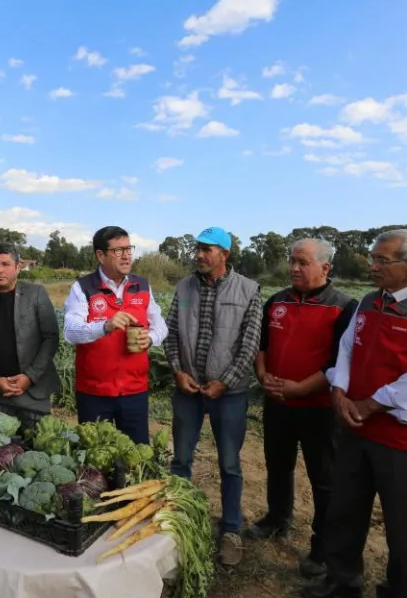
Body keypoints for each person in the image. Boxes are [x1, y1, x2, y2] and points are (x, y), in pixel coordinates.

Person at [304, 229, 407, 598]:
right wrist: (339, 389)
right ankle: (342, 581)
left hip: (403, 440)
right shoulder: (368, 302)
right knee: (345, 510)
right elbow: (347, 349)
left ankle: (399, 590)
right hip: (356, 428)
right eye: (372, 258)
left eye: (381, 260)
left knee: (401, 524)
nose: (372, 266)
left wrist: (371, 403)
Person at [247, 238, 357, 578]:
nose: (294, 268)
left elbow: (340, 362)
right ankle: (277, 518)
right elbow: (262, 345)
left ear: (325, 267)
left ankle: (323, 547)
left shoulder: (344, 307)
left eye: (302, 262)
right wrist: (263, 375)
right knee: (278, 465)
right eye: (292, 261)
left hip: (319, 408)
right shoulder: (277, 301)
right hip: (278, 403)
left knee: (324, 479)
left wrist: (300, 388)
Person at [164, 226, 263, 567]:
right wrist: (177, 371)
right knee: (181, 458)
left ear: (225, 254)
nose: (199, 255)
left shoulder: (248, 290)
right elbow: (172, 332)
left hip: (229, 394)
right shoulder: (185, 288)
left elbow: (250, 344)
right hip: (188, 390)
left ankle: (231, 530)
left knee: (230, 463)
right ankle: (177, 521)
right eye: (198, 248)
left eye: (207, 249)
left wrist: (226, 381)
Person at [62, 225, 168, 445]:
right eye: (118, 250)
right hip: (94, 392)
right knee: (96, 455)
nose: (126, 256)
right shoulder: (83, 287)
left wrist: (150, 338)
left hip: (134, 390)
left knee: (135, 454)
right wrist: (104, 326)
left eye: (128, 249)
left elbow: (160, 325)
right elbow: (71, 331)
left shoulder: (142, 285)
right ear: (100, 255)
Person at [0, 242, 61, 414]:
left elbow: (50, 338)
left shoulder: (36, 294)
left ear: (17, 267)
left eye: (5, 264)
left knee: (37, 432)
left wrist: (30, 376)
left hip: (33, 392)